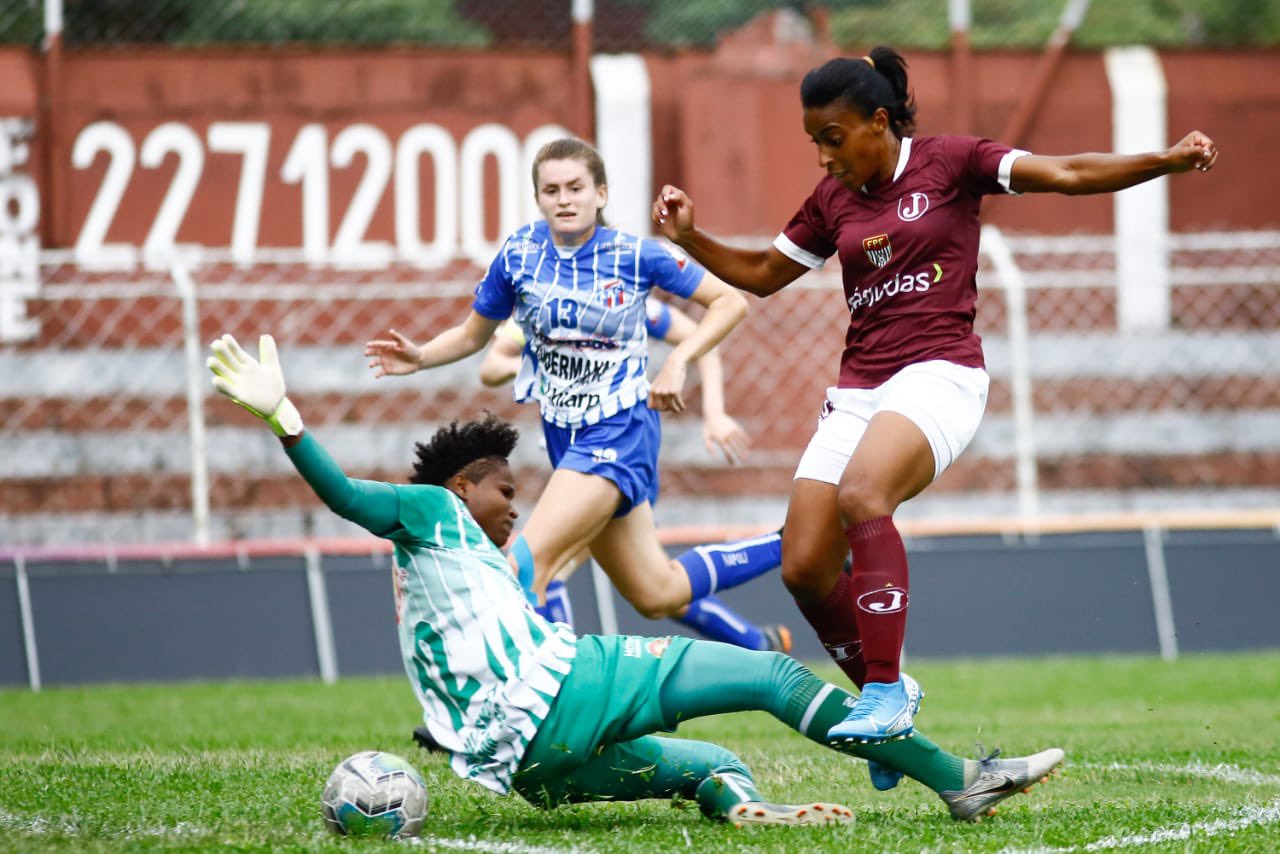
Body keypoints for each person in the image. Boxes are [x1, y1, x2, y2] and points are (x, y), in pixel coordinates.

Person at [206, 331, 1065, 824]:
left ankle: (748, 811)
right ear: (461, 486)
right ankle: (959, 780)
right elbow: (348, 495)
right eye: (505, 491)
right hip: (558, 693)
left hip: (532, 767)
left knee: (710, 761)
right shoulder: (430, 514)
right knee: (771, 676)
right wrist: (285, 418)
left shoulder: (462, 569)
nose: (515, 505)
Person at [652, 47, 1219, 744]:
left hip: (941, 374)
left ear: (878, 122)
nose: (825, 157)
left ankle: (886, 688)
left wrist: (1165, 160)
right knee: (803, 565)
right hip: (860, 386)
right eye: (814, 143)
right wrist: (690, 238)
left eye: (833, 138)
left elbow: (1067, 172)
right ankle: (886, 707)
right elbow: (765, 273)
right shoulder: (833, 201)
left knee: (864, 495)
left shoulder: (953, 162)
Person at [364, 138, 787, 639]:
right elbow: (473, 336)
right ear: (539, 199)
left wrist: (677, 361)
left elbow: (730, 303)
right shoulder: (520, 256)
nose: (564, 199)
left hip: (620, 432)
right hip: (567, 438)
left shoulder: (635, 256)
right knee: (659, 594)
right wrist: (421, 357)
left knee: (525, 568)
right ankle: (796, 541)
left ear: (601, 194)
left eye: (575, 187)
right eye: (551, 190)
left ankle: (524, 706)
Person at [479, 305, 791, 654]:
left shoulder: (623, 295)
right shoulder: (543, 299)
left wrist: (714, 412)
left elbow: (707, 333)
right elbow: (491, 366)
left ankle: (559, 679)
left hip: (616, 461)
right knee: (656, 591)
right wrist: (543, 371)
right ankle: (766, 613)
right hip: (575, 465)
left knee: (542, 568)